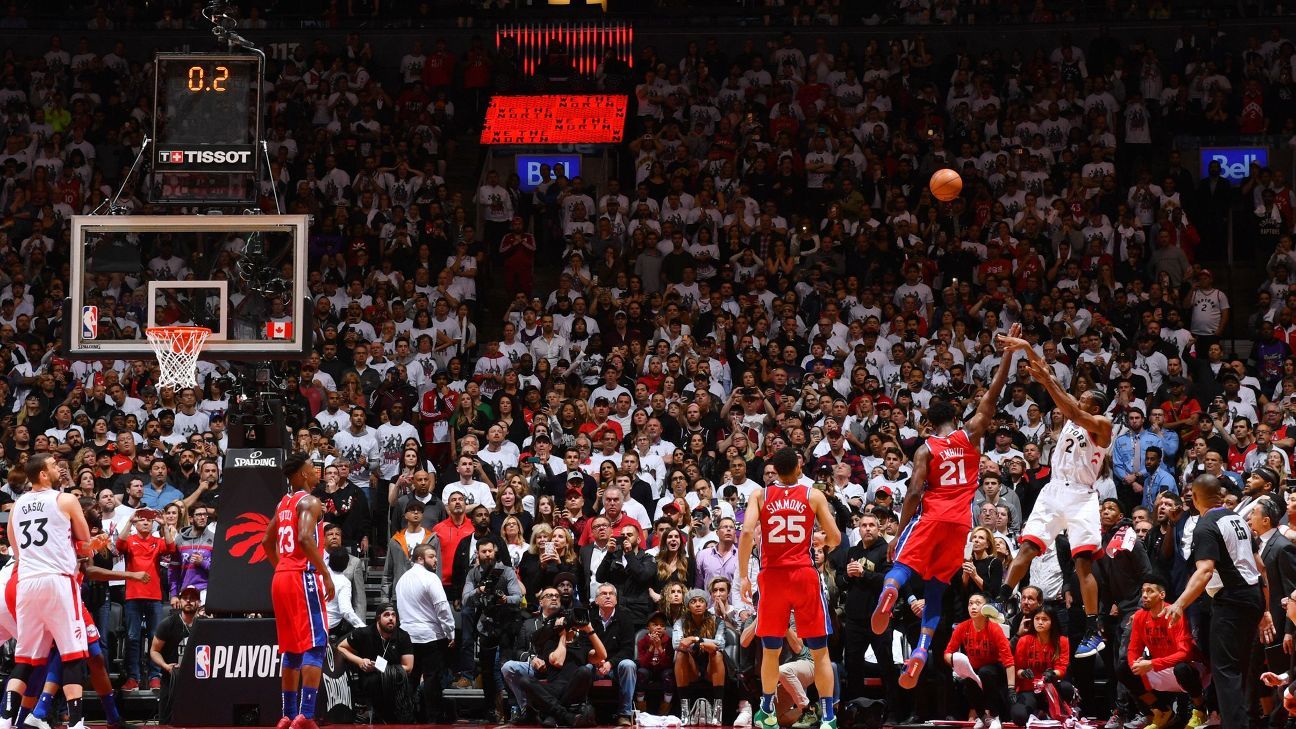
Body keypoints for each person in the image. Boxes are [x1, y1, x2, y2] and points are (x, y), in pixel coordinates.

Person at [871, 325, 1018, 686]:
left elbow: (913, 493)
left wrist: (900, 531)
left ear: (928, 423)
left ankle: (890, 591)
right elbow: (993, 396)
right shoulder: (971, 435)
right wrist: (1008, 356)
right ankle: (922, 648)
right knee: (936, 589)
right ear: (954, 418)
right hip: (960, 526)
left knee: (901, 567)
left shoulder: (925, 448)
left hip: (932, 517)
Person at [997, 333, 1113, 659]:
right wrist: (1027, 349)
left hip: (1080, 495)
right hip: (1054, 489)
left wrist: (1048, 381)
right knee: (1028, 546)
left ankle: (1093, 626)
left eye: (1083, 396)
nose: (1077, 398)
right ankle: (1003, 597)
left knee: (1081, 563)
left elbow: (1071, 409)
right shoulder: (1074, 412)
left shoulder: (1101, 423)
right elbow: (1050, 379)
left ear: (1095, 404)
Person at [738, 447, 842, 729]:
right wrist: (823, 542)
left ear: (773, 471)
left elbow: (747, 532)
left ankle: (768, 709)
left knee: (771, 651)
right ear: (798, 469)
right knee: (820, 652)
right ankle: (829, 718)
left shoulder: (760, 495)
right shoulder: (813, 495)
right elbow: (835, 536)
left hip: (772, 578)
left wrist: (743, 576)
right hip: (804, 575)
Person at [1164, 474, 1270, 729]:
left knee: (1225, 672)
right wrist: (1265, 610)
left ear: (1195, 497)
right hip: (1253, 596)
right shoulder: (1239, 520)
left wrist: (1179, 604)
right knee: (1241, 670)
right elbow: (1261, 567)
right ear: (1219, 495)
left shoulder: (1205, 525)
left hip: (1232, 600)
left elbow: (1205, 571)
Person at [1, 454, 94, 729]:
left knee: (25, 658)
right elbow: (85, 541)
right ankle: (76, 723)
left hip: (27, 583)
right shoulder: (65, 500)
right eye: (54, 466)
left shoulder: (17, 506)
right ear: (43, 474)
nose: (59, 469)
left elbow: (15, 548)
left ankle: (5, 720)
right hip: (58, 581)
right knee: (73, 653)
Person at [260, 452, 333, 729]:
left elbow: (267, 542)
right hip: (302, 576)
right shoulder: (310, 501)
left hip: (281, 577)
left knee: (290, 649)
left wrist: (283, 567)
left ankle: (287, 715)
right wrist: (324, 573)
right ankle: (306, 715)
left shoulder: (283, 503)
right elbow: (303, 537)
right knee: (315, 644)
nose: (317, 472)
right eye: (314, 468)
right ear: (303, 474)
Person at [1116, 580, 1207, 729]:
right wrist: (1136, 665)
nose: (1144, 595)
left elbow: (1185, 653)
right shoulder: (1139, 616)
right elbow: (1133, 649)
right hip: (1161, 667)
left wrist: (1152, 664)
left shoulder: (1174, 612)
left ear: (1162, 595)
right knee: (1124, 669)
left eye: (1150, 591)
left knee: (1181, 668)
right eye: (1143, 591)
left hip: (1190, 668)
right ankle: (1161, 711)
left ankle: (1200, 711)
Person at [395, 543, 456, 723]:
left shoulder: (402, 580)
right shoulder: (431, 578)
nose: (436, 559)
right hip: (430, 636)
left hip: (407, 636)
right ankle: (433, 719)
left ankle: (407, 717)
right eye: (431, 556)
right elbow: (442, 608)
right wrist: (450, 632)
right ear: (420, 558)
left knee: (411, 679)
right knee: (432, 679)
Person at [336, 604, 416, 724]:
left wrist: (382, 669)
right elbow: (340, 647)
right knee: (375, 681)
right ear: (378, 618)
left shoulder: (403, 636)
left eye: (393, 615)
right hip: (370, 678)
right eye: (386, 615)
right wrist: (360, 661)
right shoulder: (364, 633)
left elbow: (408, 667)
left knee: (408, 688)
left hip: (396, 681)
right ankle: (371, 715)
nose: (391, 618)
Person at [944, 593, 1015, 729]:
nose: (973, 607)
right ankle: (983, 717)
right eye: (970, 603)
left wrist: (1011, 688)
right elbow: (948, 652)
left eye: (978, 603)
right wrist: (955, 662)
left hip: (995, 669)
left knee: (985, 672)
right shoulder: (962, 627)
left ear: (986, 608)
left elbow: (1008, 660)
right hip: (974, 669)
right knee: (969, 680)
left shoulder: (994, 628)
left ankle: (995, 716)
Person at [1010, 606, 1072, 727]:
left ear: (1052, 622)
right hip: (1028, 689)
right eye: (1037, 618)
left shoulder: (1062, 641)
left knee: (1067, 688)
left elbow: (1062, 668)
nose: (1040, 622)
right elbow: (1017, 669)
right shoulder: (1024, 640)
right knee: (1019, 716)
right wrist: (1023, 673)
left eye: (1044, 619)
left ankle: (1052, 711)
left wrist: (1052, 674)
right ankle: (1038, 712)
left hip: (1050, 689)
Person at [150, 585, 202, 724]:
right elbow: (154, 651)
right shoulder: (168, 624)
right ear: (180, 601)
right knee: (167, 723)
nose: (189, 601)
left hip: (196, 682)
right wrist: (166, 666)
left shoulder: (204, 625)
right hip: (171, 680)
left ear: (199, 602)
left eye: (193, 598)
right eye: (185, 598)